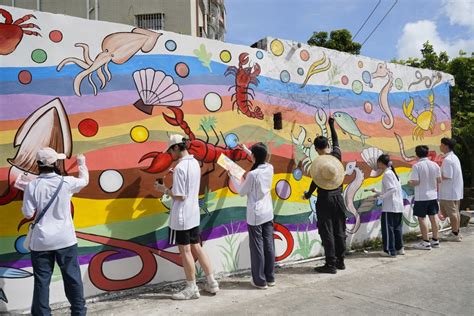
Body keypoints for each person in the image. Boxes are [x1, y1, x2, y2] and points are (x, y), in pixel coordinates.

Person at [21, 147, 88, 316]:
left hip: (41, 242)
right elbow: (84, 180)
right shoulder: (67, 182)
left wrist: (27, 189)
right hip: (65, 239)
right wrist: (81, 163)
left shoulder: (32, 186)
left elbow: (28, 213)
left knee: (42, 282)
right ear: (55, 163)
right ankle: (78, 312)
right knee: (72, 278)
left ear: (38, 164)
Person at [154, 134, 219, 300]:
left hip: (182, 216)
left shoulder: (180, 168)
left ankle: (191, 287)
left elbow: (180, 195)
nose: (170, 154)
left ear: (176, 147)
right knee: (197, 246)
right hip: (193, 213)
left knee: (185, 251)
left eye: (170, 149)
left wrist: (164, 190)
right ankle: (212, 282)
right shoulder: (194, 163)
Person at [303, 116, 347, 274]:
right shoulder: (336, 155)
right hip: (339, 199)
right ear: (327, 145)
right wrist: (331, 124)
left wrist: (308, 194)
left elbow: (316, 181)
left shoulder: (320, 162)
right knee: (340, 229)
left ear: (316, 149)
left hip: (325, 200)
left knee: (327, 230)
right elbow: (336, 141)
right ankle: (341, 260)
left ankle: (330, 264)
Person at [229, 143, 275, 289]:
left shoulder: (253, 175)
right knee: (268, 245)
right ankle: (270, 277)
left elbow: (242, 191)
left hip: (256, 214)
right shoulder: (269, 168)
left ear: (255, 156)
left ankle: (260, 280)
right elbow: (259, 159)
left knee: (257, 248)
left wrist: (232, 176)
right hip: (268, 212)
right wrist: (246, 150)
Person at [408, 145, 442, 250]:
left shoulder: (417, 166)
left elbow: (416, 181)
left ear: (417, 154)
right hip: (433, 195)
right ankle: (435, 240)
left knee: (422, 218)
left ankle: (426, 242)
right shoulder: (434, 165)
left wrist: (409, 182)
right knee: (433, 217)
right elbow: (439, 180)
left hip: (421, 196)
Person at [370, 154, 405, 257]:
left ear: (381, 163)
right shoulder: (393, 173)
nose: (377, 165)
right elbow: (391, 189)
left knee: (388, 228)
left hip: (390, 207)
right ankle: (399, 248)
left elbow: (392, 189)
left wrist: (381, 197)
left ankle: (390, 250)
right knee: (397, 228)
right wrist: (378, 191)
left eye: (378, 162)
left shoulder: (387, 174)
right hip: (397, 206)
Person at [439, 137, 463, 241]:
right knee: (455, 212)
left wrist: (436, 177)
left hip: (449, 191)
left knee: (452, 213)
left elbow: (447, 175)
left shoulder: (448, 160)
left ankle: (455, 234)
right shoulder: (454, 157)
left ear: (445, 146)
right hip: (454, 190)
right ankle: (456, 231)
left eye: (441, 144)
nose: (440, 146)